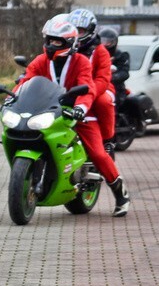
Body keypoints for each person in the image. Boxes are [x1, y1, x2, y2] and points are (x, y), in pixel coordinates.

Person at [15, 16, 130, 217]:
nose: (52, 45)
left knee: (98, 153)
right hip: (49, 112)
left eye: (57, 41)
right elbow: (26, 82)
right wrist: (13, 99)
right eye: (50, 40)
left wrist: (81, 108)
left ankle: (121, 194)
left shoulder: (81, 62)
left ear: (69, 42)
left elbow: (87, 88)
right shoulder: (40, 60)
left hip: (78, 114)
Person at [68, 9, 116, 157]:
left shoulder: (100, 51)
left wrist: (88, 93)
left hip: (99, 88)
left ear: (91, 31)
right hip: (70, 88)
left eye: (80, 31)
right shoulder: (64, 48)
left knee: (103, 102)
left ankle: (107, 139)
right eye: (73, 30)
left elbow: (103, 79)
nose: (76, 34)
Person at [99, 27, 130, 109]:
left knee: (110, 104)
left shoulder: (121, 55)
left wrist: (109, 78)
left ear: (114, 42)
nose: (104, 44)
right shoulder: (96, 54)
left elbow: (124, 73)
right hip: (99, 86)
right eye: (102, 41)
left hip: (116, 89)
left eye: (108, 42)